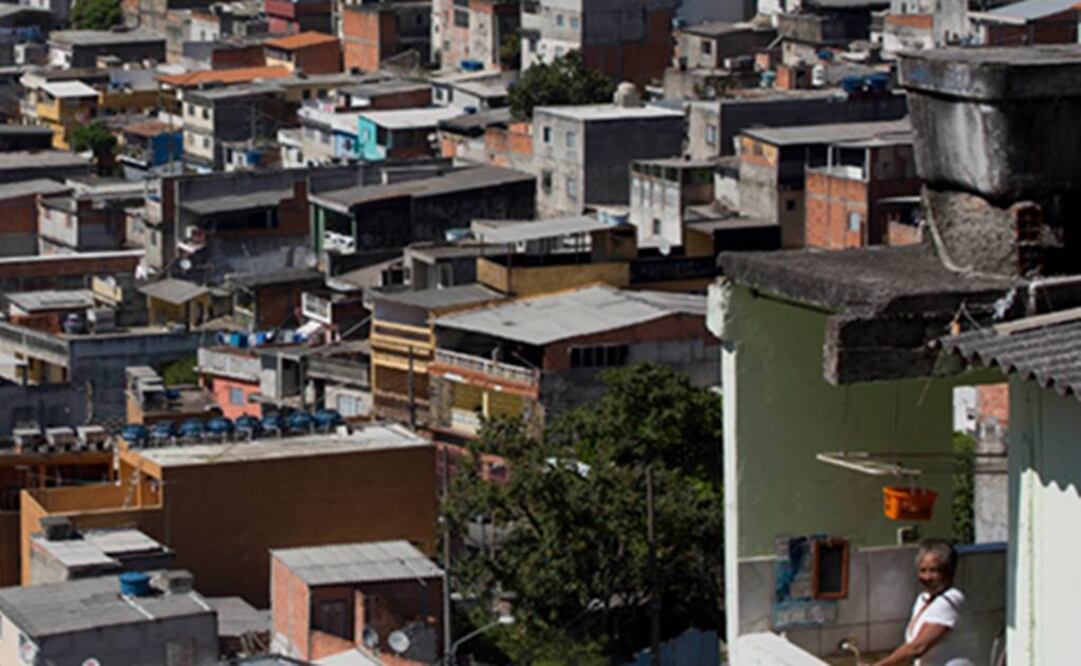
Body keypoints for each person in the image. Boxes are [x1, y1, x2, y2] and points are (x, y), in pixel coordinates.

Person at [870, 539, 977, 666]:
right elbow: (911, 646)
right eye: (923, 570)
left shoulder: (951, 600)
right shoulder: (923, 599)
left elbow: (918, 647)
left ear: (949, 571)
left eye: (934, 570)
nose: (927, 577)